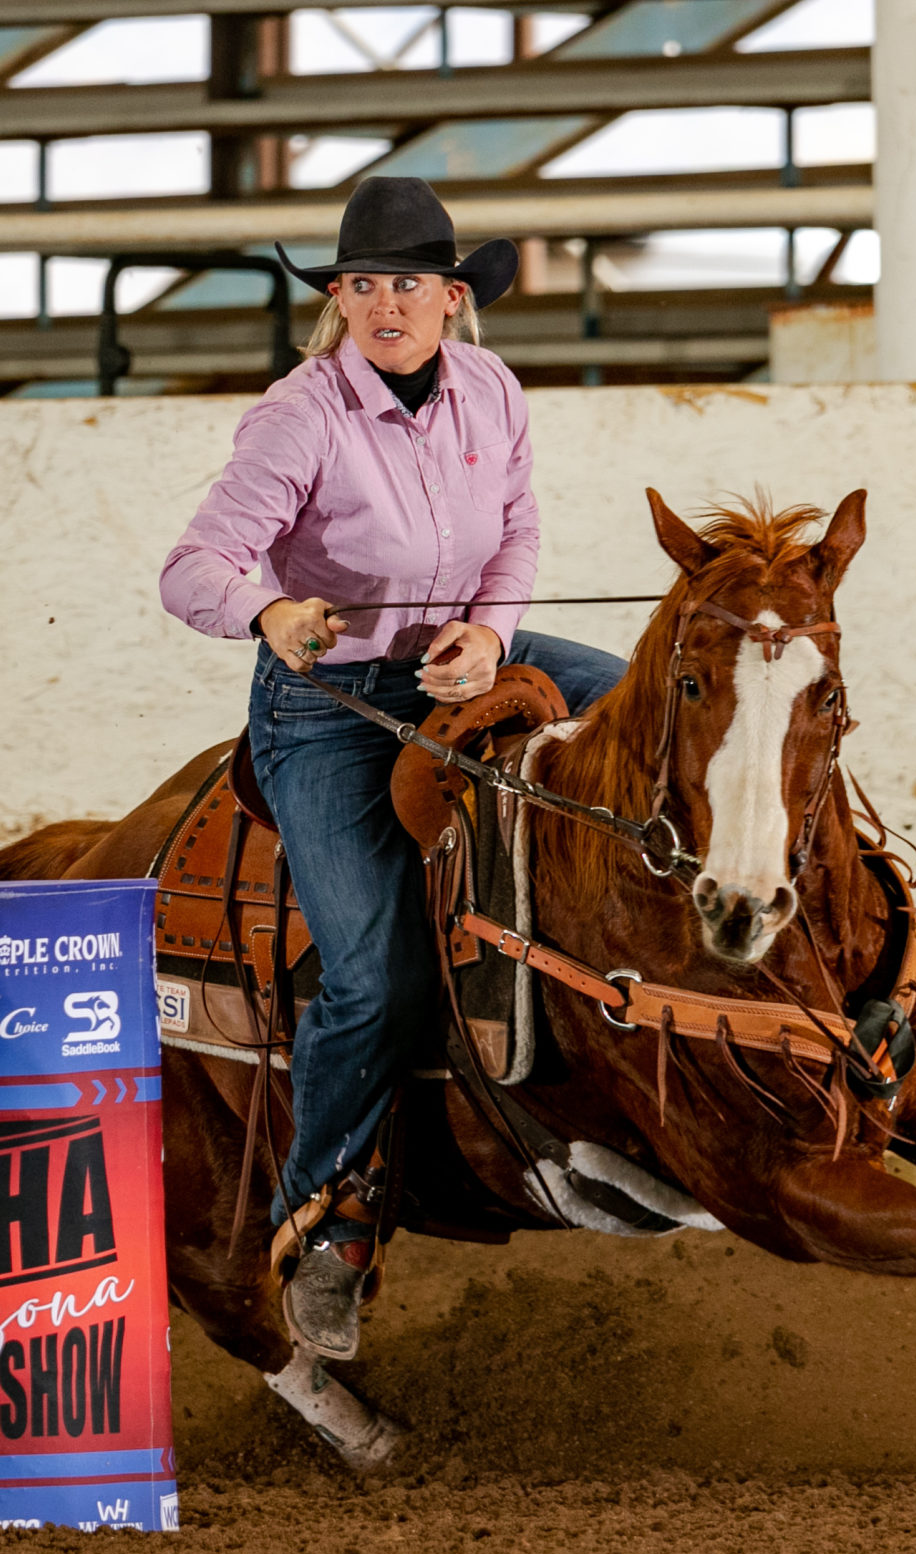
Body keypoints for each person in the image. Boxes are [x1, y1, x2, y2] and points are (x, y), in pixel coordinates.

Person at [159, 177, 625, 1361]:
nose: (382, 303)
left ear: (451, 298)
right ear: (339, 303)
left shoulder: (491, 387)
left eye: (405, 283)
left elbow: (514, 525)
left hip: (458, 661)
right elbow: (195, 565)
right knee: (366, 967)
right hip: (327, 700)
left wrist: (490, 628)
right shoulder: (298, 415)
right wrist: (267, 613)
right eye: (359, 284)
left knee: (640, 710)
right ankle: (325, 1219)